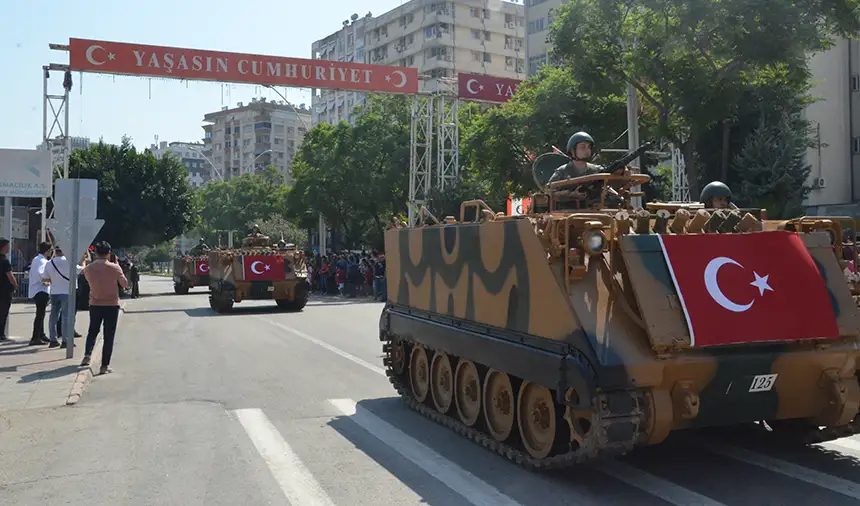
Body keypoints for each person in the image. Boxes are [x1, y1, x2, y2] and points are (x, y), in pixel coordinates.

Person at [81, 241, 128, 374]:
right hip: (111, 305)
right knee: (109, 336)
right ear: (109, 253)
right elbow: (124, 284)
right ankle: (104, 366)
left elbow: (84, 273)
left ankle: (87, 355)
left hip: (95, 304)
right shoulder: (114, 268)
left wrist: (85, 261)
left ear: (95, 253)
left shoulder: (89, 268)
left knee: (93, 331)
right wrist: (118, 265)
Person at [41, 246, 84, 348]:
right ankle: (65, 340)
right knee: (66, 317)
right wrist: (83, 261)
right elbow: (81, 271)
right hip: (67, 291)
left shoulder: (49, 263)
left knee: (53, 317)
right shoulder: (69, 261)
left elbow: (45, 279)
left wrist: (54, 281)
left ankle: (53, 339)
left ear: (55, 252)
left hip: (54, 291)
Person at [27, 242, 51, 346]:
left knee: (40, 314)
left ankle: (41, 334)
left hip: (36, 289)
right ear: (47, 251)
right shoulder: (43, 261)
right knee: (40, 315)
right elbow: (43, 275)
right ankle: (35, 337)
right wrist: (50, 281)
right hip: (41, 290)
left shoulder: (37, 259)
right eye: (50, 250)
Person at [0, 239, 17, 341]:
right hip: (5, 291)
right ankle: (1, 334)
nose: (8, 248)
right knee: (3, 313)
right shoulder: (5, 261)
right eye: (7, 246)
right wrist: (15, 284)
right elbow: (10, 276)